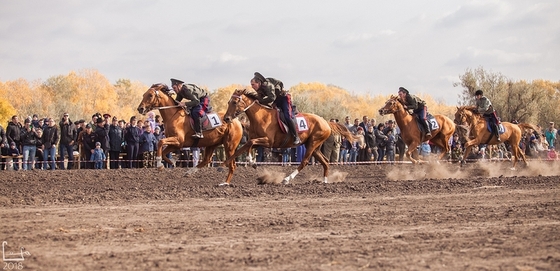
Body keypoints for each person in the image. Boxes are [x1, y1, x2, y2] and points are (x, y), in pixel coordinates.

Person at [250, 72, 301, 144]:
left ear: (258, 83)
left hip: (284, 98)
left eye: (253, 84)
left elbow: (271, 97)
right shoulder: (259, 89)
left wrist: (260, 101)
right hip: (277, 99)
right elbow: (261, 99)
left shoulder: (268, 85)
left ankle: (296, 137)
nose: (252, 86)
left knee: (287, 116)